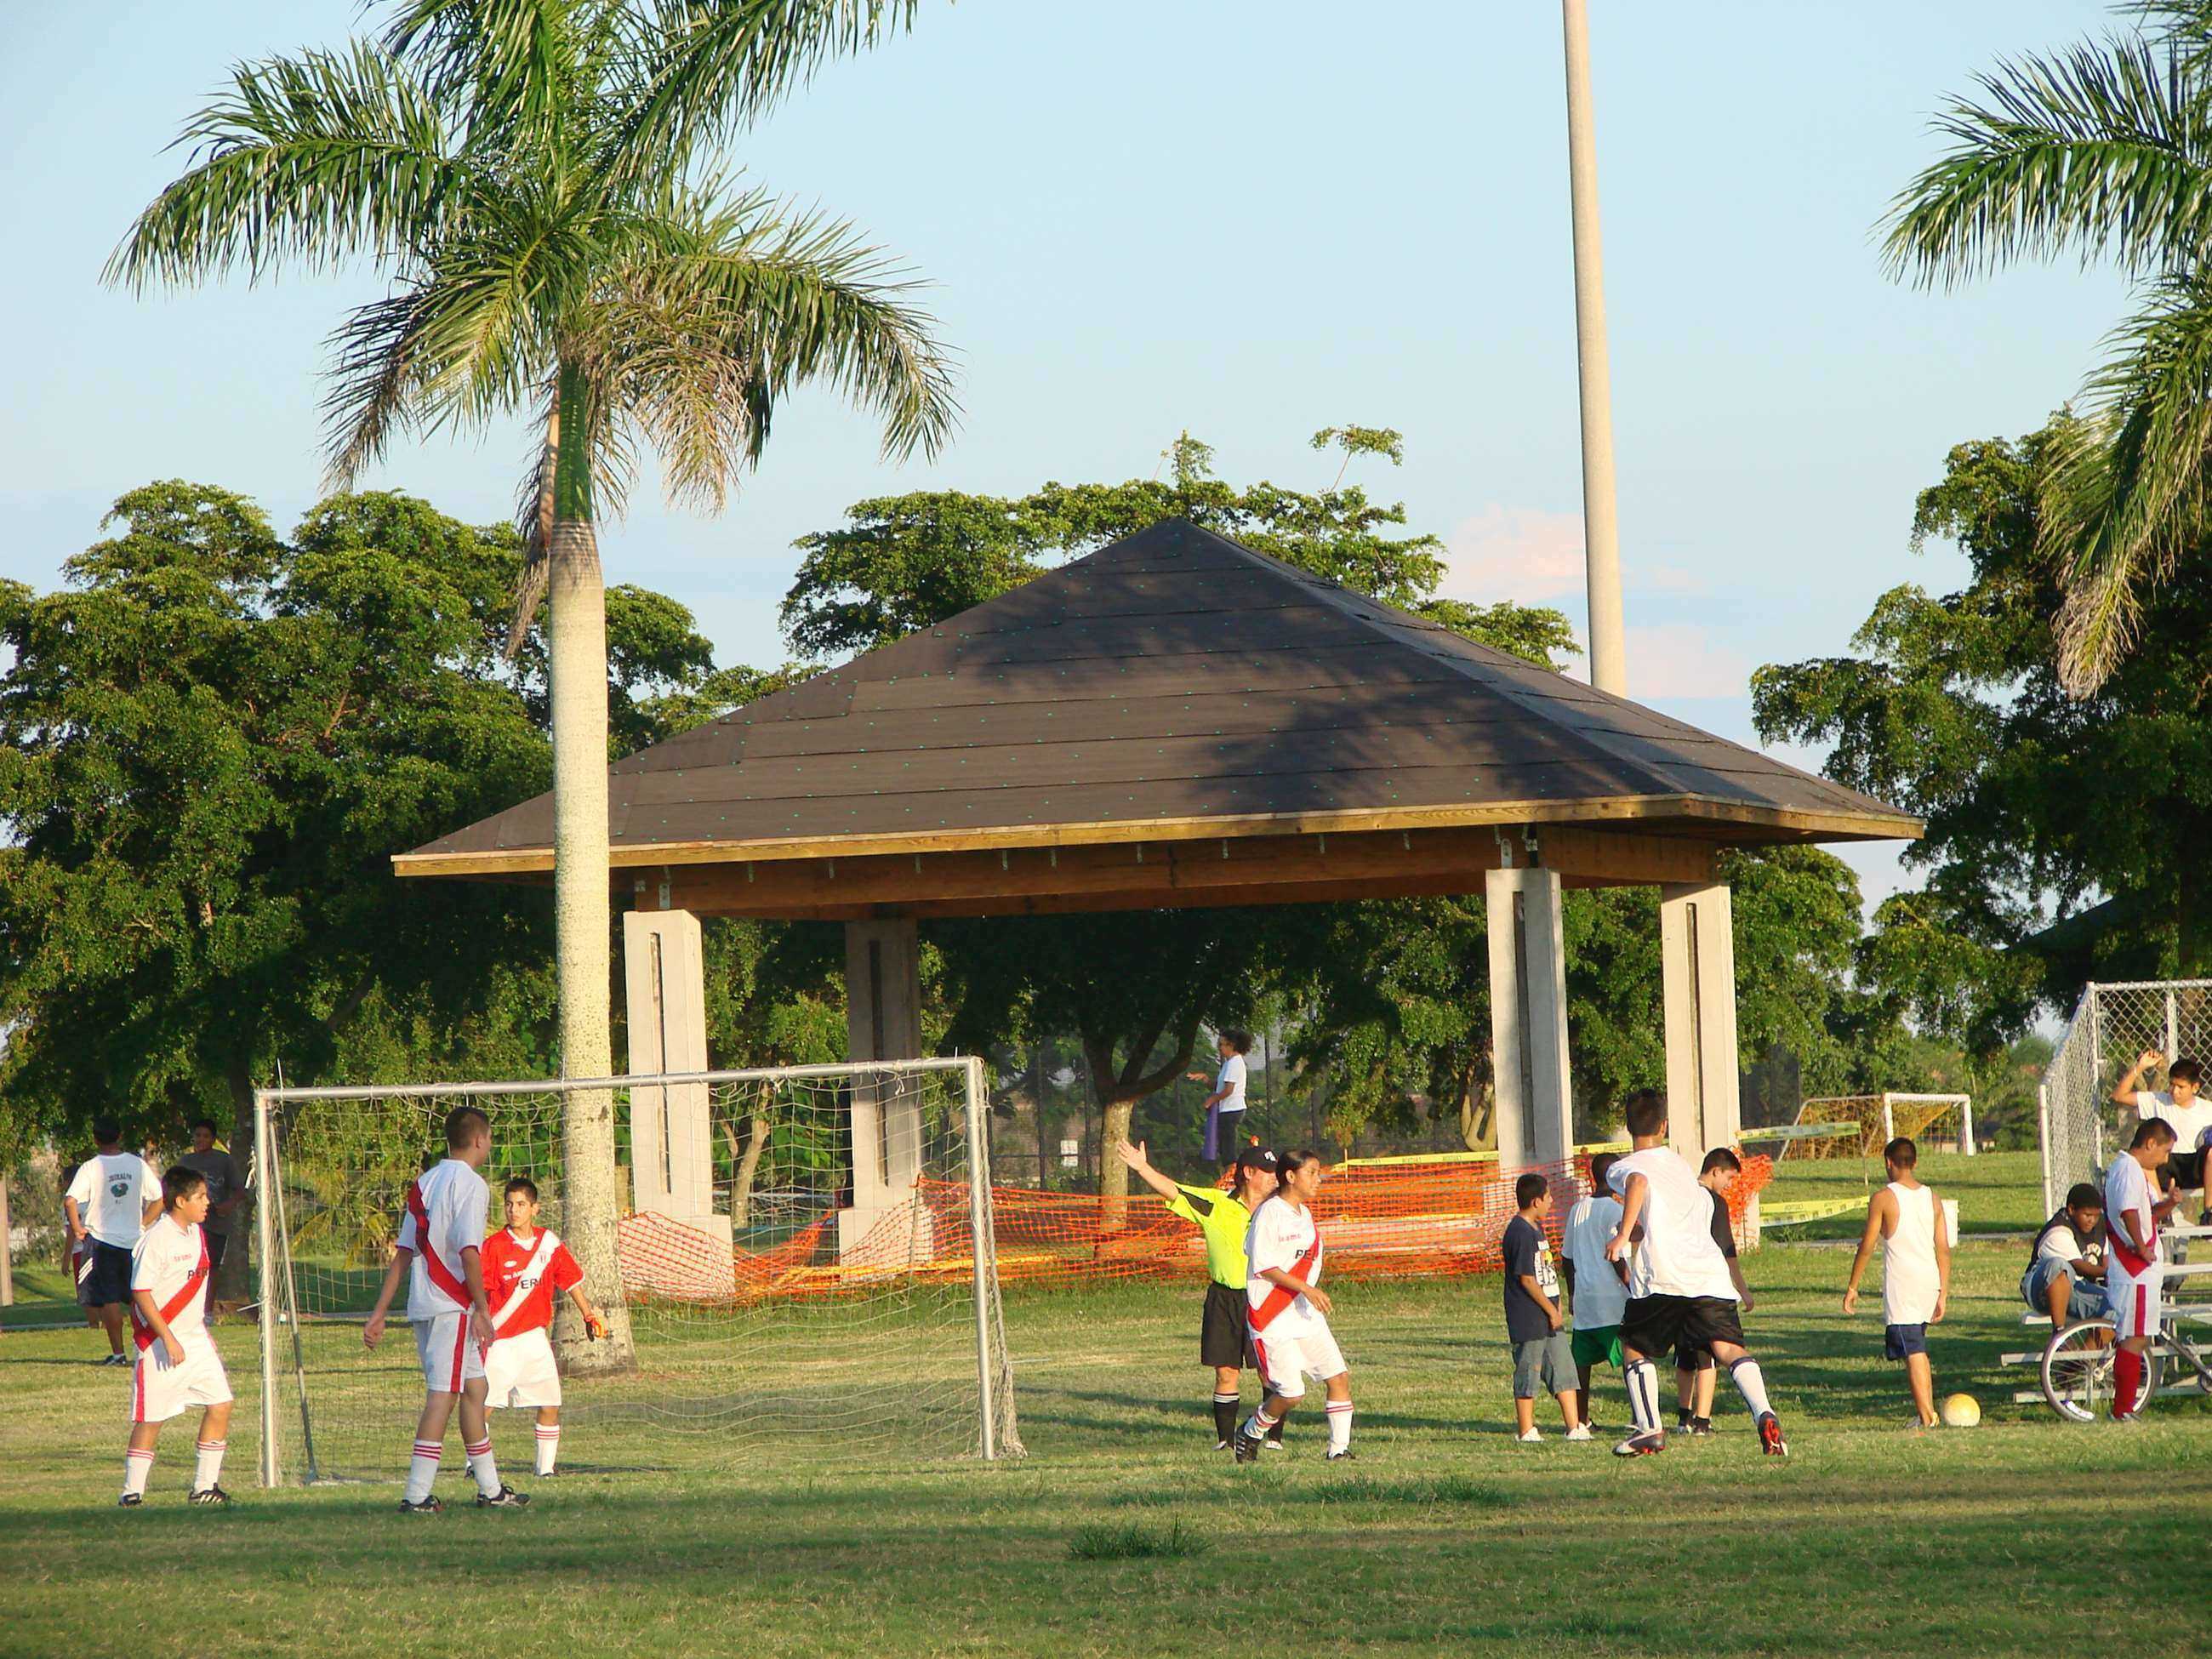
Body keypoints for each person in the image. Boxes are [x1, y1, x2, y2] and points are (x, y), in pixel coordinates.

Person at [362, 1105, 527, 1511]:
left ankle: (490, 1490)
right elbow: (469, 1250)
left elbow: (403, 1252)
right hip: (451, 1305)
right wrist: (483, 1308)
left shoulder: (424, 1183)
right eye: (488, 1139)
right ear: (478, 1140)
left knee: (476, 1389)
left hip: (425, 1301)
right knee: (443, 1395)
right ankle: (416, 1496)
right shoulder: (471, 1185)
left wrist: (380, 1311)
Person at [1605, 1091, 1787, 1458]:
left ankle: (1648, 1429)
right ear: (1664, 1127)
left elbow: (1638, 1183)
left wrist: (1624, 1235)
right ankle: (1764, 1414)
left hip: (1664, 1276)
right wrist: (1642, 1229)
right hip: (1709, 1276)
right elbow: (1687, 1216)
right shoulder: (1681, 1168)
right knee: (1729, 1349)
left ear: (1628, 1127)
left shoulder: (1624, 1166)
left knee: (1634, 1347)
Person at [1113, 1138, 1286, 1450]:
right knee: (1226, 1373)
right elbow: (1175, 1191)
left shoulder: (1279, 1210)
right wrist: (1142, 1168)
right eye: (1268, 1171)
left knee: (1270, 1371)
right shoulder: (1216, 1205)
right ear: (1248, 1173)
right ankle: (1226, 1441)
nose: (1275, 1177)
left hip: (1264, 1298)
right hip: (1224, 1299)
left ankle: (1272, 1438)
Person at [119, 1166, 233, 1507]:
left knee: (221, 1404)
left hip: (195, 1339)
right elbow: (141, 1292)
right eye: (200, 1197)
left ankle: (204, 1488)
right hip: (160, 1343)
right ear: (180, 1201)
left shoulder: (196, 1233)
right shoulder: (156, 1239)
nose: (207, 1203)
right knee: (152, 1419)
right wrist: (167, 1338)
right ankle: (131, 1493)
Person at [1234, 1149, 1354, 1463]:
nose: (1318, 1180)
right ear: (1290, 1176)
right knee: (1291, 1394)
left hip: (1304, 1315)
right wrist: (1306, 1288)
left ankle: (1338, 1450)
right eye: (1311, 1173)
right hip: (1272, 1316)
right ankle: (1251, 1431)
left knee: (1338, 1377)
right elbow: (1264, 1266)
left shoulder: (1305, 1215)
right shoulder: (1269, 1213)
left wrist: (1308, 1294)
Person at [481, 1177, 606, 1478]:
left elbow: (571, 1281)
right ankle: (476, 1465)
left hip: (534, 1338)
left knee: (550, 1402)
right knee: (484, 1405)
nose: (514, 1210)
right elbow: (482, 1291)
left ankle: (545, 1469)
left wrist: (589, 1314)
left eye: (521, 1204)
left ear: (535, 1209)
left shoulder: (548, 1244)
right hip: (499, 1341)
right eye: (509, 1204)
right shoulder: (494, 1246)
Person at [1842, 1137, 1951, 1429]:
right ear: (1914, 1163)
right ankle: (1926, 1412)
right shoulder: (1933, 1198)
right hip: (1929, 1282)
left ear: (1888, 1163)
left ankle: (1927, 1416)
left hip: (1903, 1285)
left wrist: (1853, 1286)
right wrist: (1944, 1292)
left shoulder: (1883, 1198)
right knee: (1917, 1347)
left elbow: (1867, 1245)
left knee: (1913, 1350)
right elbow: (1943, 1247)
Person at [63, 1118, 163, 1368]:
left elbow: (70, 1201)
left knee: (109, 1298)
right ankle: (147, 1350)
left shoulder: (91, 1167)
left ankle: (118, 1354)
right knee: (139, 1296)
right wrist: (142, 1224)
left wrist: (78, 1229)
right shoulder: (136, 1164)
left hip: (102, 1242)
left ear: (95, 1139)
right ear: (120, 1137)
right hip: (133, 1242)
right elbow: (159, 1198)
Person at [1675, 1148, 1756, 1436]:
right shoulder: (1714, 1203)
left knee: (1685, 1357)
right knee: (1707, 1355)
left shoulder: (1681, 1197)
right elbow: (1727, 1251)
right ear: (1716, 1171)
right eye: (1730, 1178)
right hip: (1707, 1288)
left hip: (1678, 1286)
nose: (1730, 1185)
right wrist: (1743, 1290)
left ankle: (1683, 1417)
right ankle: (1702, 1421)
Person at [1502, 1172, 1587, 1442]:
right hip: (1529, 1316)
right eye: (1548, 1197)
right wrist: (1549, 1310)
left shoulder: (1537, 1230)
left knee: (1563, 1368)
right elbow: (1526, 1278)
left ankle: (1574, 1427)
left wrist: (1557, 1305)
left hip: (1550, 1314)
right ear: (1535, 1200)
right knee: (1529, 1369)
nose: (1551, 1201)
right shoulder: (1519, 1232)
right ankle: (1526, 1430)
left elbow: (1546, 1273)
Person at [2104, 1118, 2175, 1422]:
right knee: (2134, 1338)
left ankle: (2124, 1407)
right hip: (2135, 1272)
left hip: (2140, 1271)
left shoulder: (2134, 1172)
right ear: (2150, 1143)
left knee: (2138, 1337)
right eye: (2165, 1151)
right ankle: (2122, 1409)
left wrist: (2169, 1204)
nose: (2165, 1159)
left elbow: (2144, 1213)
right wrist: (2141, 1247)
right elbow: (2128, 1212)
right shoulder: (2127, 1169)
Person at [1559, 1150, 1627, 1429]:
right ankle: (1640, 1417)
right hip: (1612, 1299)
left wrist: (1573, 1291)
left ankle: (1581, 1419)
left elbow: (1566, 1257)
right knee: (1631, 1360)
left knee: (1581, 1364)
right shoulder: (1616, 1210)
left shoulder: (1578, 1209)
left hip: (1586, 1298)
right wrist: (1632, 1286)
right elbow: (1617, 1256)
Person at [2112, 1052, 2212, 1223]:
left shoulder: (2207, 1109)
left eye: (2181, 1087)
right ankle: (2160, 1214)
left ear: (2195, 1087)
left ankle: (2209, 1213)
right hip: (2166, 1162)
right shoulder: (2157, 1100)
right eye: (2172, 1085)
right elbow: (2119, 1095)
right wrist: (2140, 1067)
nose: (2174, 1091)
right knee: (2147, 1158)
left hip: (2194, 1165)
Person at [2021, 1183, 2108, 1332]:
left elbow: (2106, 1260)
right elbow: (2079, 1266)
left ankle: (2086, 1356)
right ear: (2071, 1209)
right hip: (2041, 1292)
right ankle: (2059, 1332)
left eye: (2096, 1216)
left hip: (2077, 1290)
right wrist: (2110, 1273)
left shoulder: (2101, 1225)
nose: (2092, 1221)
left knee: (2119, 1305)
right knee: (2059, 1266)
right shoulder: (2058, 1231)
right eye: (2087, 1215)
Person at [176, 1120, 244, 1280]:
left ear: (213, 1140)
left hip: (215, 1224)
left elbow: (240, 1190)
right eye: (198, 1135)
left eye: (206, 1136)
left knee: (211, 1267)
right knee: (189, 1266)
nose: (201, 1139)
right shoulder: (186, 1162)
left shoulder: (224, 1161)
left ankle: (207, 1305)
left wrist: (229, 1204)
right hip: (190, 1224)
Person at [1194, 1030, 1253, 1164]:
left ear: (1231, 1045)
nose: (1220, 1048)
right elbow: (1219, 1086)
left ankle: (1231, 1175)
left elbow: (1228, 1090)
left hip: (1231, 1110)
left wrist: (1212, 1100)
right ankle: (1228, 1171)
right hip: (1226, 1110)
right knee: (1224, 1146)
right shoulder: (1229, 1063)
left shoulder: (1234, 1063)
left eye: (1222, 1044)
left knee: (1228, 1148)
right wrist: (1205, 1078)